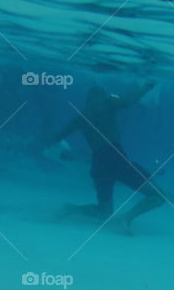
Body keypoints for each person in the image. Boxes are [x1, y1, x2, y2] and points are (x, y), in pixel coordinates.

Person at [48, 83, 163, 234]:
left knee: (105, 212)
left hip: (99, 165)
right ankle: (126, 218)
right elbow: (128, 101)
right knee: (158, 196)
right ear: (102, 95)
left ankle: (72, 208)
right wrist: (146, 87)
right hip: (117, 159)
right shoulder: (108, 102)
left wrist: (38, 144)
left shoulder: (81, 117)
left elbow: (58, 136)